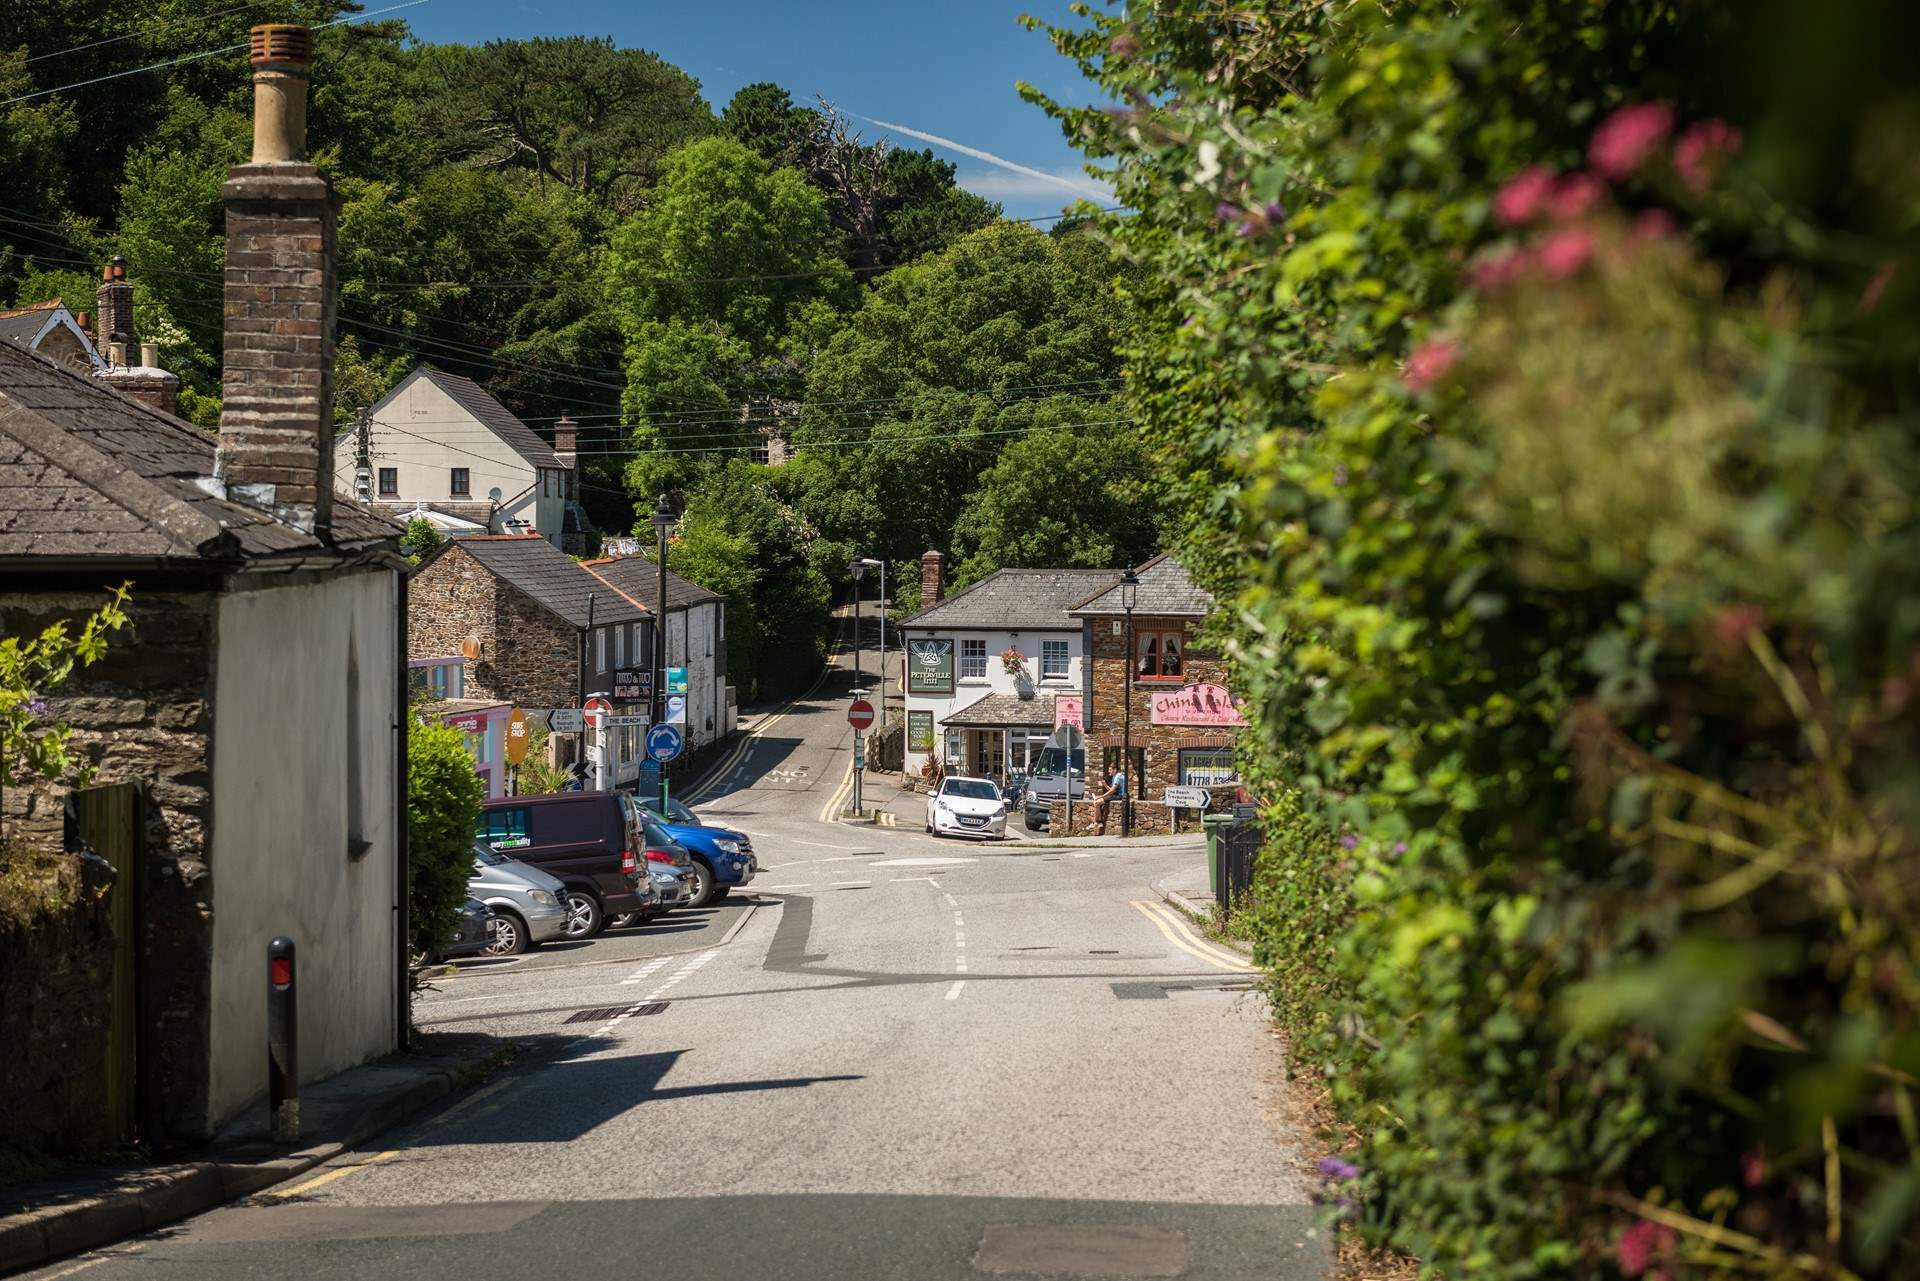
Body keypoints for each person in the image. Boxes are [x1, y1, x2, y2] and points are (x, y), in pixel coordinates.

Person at [1093, 763, 1127, 830]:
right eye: (1109, 770)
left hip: (1120, 796)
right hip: (1116, 794)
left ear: (1115, 770)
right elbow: (1112, 790)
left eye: (1110, 770)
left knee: (1097, 802)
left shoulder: (1118, 777)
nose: (1109, 771)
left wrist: (1100, 796)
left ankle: (1097, 822)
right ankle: (1098, 822)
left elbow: (1112, 791)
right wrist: (1105, 784)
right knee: (1096, 802)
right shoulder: (1115, 776)